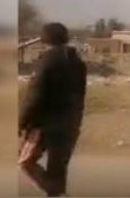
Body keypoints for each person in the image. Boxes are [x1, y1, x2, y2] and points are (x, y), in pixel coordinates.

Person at [19, 23, 87, 197]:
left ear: (44, 39)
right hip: (70, 123)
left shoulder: (46, 62)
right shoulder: (77, 62)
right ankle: (56, 192)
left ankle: (56, 192)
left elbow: (35, 96)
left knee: (25, 160)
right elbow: (81, 94)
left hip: (45, 124)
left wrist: (22, 122)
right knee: (58, 169)